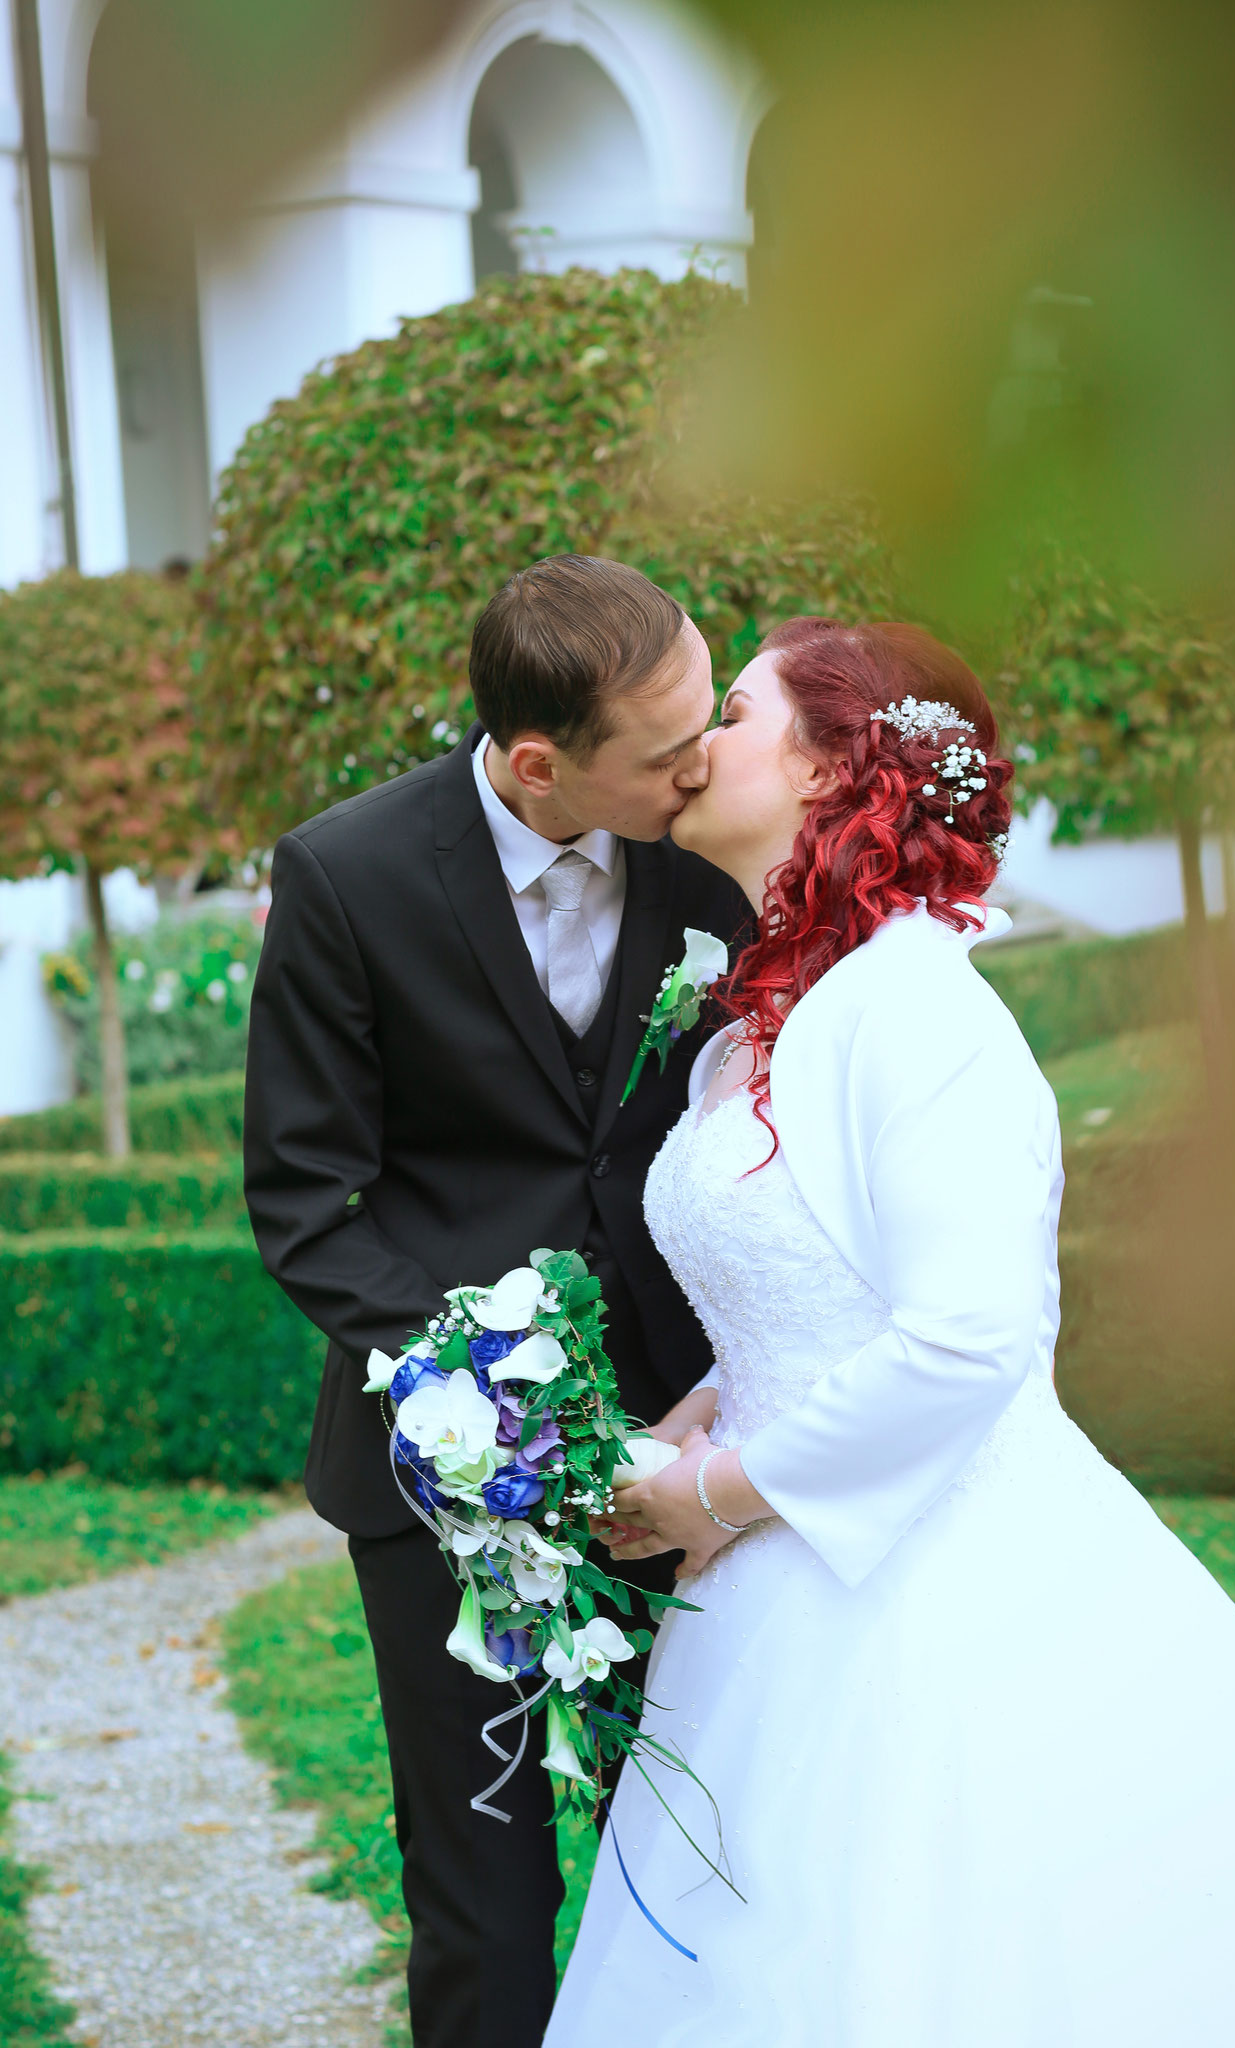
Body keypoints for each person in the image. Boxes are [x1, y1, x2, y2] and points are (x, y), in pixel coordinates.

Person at [548, 616, 1235, 2045]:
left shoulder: (919, 1013)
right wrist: (698, 1416)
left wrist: (708, 1500)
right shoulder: (760, 1027)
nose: (696, 743)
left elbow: (971, 1340)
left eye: (732, 712)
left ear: (834, 767)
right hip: (775, 1590)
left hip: (936, 1584)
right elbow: (815, 1296)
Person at [243, 556, 745, 2048]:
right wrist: (495, 1403)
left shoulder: (710, 851)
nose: (704, 759)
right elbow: (305, 1198)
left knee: (724, 1856)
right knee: (484, 1899)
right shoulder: (348, 876)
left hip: (698, 1447)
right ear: (542, 764)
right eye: (665, 750)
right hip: (441, 1486)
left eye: (709, 715)